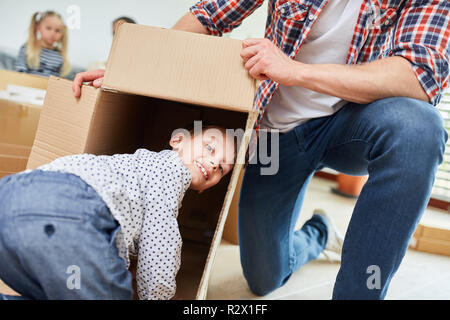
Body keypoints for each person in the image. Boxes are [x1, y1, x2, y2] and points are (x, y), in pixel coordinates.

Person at [72, 0, 449, 300]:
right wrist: (125, 73)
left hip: (351, 123)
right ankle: (319, 233)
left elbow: (419, 75)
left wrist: (295, 71)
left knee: (419, 129)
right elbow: (210, 13)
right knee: (264, 279)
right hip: (274, 139)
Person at [0, 125, 236, 300]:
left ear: (207, 189)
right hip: (68, 215)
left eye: (223, 169)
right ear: (178, 141)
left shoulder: (133, 168)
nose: (214, 163)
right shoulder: (170, 170)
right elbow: (160, 247)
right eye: (210, 147)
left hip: (12, 199)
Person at [15, 11, 70, 77]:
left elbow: (58, 79)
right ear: (38, 27)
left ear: (62, 34)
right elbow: (20, 72)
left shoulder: (60, 56)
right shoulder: (27, 48)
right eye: (48, 28)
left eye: (57, 30)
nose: (53, 33)